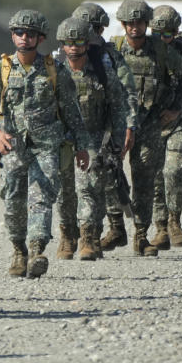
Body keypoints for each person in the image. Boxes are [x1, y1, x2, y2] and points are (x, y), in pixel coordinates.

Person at [0, 10, 91, 278]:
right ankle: (18, 251)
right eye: (19, 32)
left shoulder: (55, 71)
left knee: (41, 199)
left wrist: (81, 146)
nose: (24, 38)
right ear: (12, 35)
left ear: (40, 38)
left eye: (30, 34)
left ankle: (36, 250)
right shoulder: (0, 71)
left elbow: (71, 111)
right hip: (13, 148)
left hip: (47, 145)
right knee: (13, 202)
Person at [111, 0, 182, 256]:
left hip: (150, 125)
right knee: (107, 177)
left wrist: (176, 108)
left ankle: (141, 236)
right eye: (130, 23)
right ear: (123, 25)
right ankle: (110, 229)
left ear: (147, 24)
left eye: (140, 23)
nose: (135, 28)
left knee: (145, 181)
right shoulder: (114, 48)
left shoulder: (160, 50)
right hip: (116, 124)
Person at [54, 17, 127, 260]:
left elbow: (118, 107)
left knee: (88, 187)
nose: (74, 47)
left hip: (95, 138)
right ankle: (67, 236)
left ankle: (89, 237)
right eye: (69, 42)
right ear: (62, 45)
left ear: (87, 44)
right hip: (64, 140)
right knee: (64, 193)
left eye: (79, 42)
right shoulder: (54, 73)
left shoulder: (103, 74)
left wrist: (117, 141)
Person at [71, 2, 138, 252]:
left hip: (105, 127)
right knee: (79, 184)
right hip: (74, 129)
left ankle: (100, 233)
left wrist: (128, 126)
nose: (89, 35)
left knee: (104, 177)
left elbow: (128, 92)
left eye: (94, 30)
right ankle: (79, 234)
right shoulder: (65, 55)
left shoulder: (109, 57)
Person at [148, 5, 182, 249]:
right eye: (156, 33)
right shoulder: (143, 51)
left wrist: (176, 109)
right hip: (151, 123)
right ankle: (161, 227)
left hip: (179, 121)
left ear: (175, 33)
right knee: (154, 176)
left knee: (173, 171)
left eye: (167, 34)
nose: (161, 39)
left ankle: (175, 220)